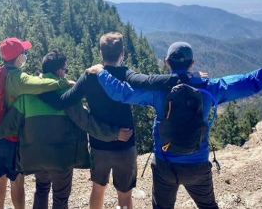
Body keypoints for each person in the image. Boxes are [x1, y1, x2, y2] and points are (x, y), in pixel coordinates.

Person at [87, 41, 262, 209]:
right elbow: (248, 82)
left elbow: (120, 92)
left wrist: (102, 72)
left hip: (165, 165)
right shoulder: (210, 87)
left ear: (167, 62)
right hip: (197, 163)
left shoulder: (158, 91)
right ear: (192, 63)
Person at [38, 32, 191, 209]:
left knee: (97, 189)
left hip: (99, 146)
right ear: (122, 54)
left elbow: (62, 102)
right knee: (125, 195)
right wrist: (184, 77)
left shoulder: (89, 76)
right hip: (126, 146)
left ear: (101, 53)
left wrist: (41, 90)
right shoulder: (126, 74)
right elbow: (150, 81)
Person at [0, 49, 133, 209]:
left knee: (41, 190)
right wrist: (114, 134)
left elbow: (8, 125)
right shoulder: (67, 93)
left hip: (35, 157)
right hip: (62, 158)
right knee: (60, 198)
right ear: (59, 71)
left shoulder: (28, 94)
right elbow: (86, 122)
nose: (65, 73)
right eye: (65, 70)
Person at [0, 38, 74, 209]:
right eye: (24, 53)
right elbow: (41, 85)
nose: (25, 56)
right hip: (12, 137)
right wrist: (65, 82)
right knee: (17, 180)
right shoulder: (19, 78)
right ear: (18, 57)